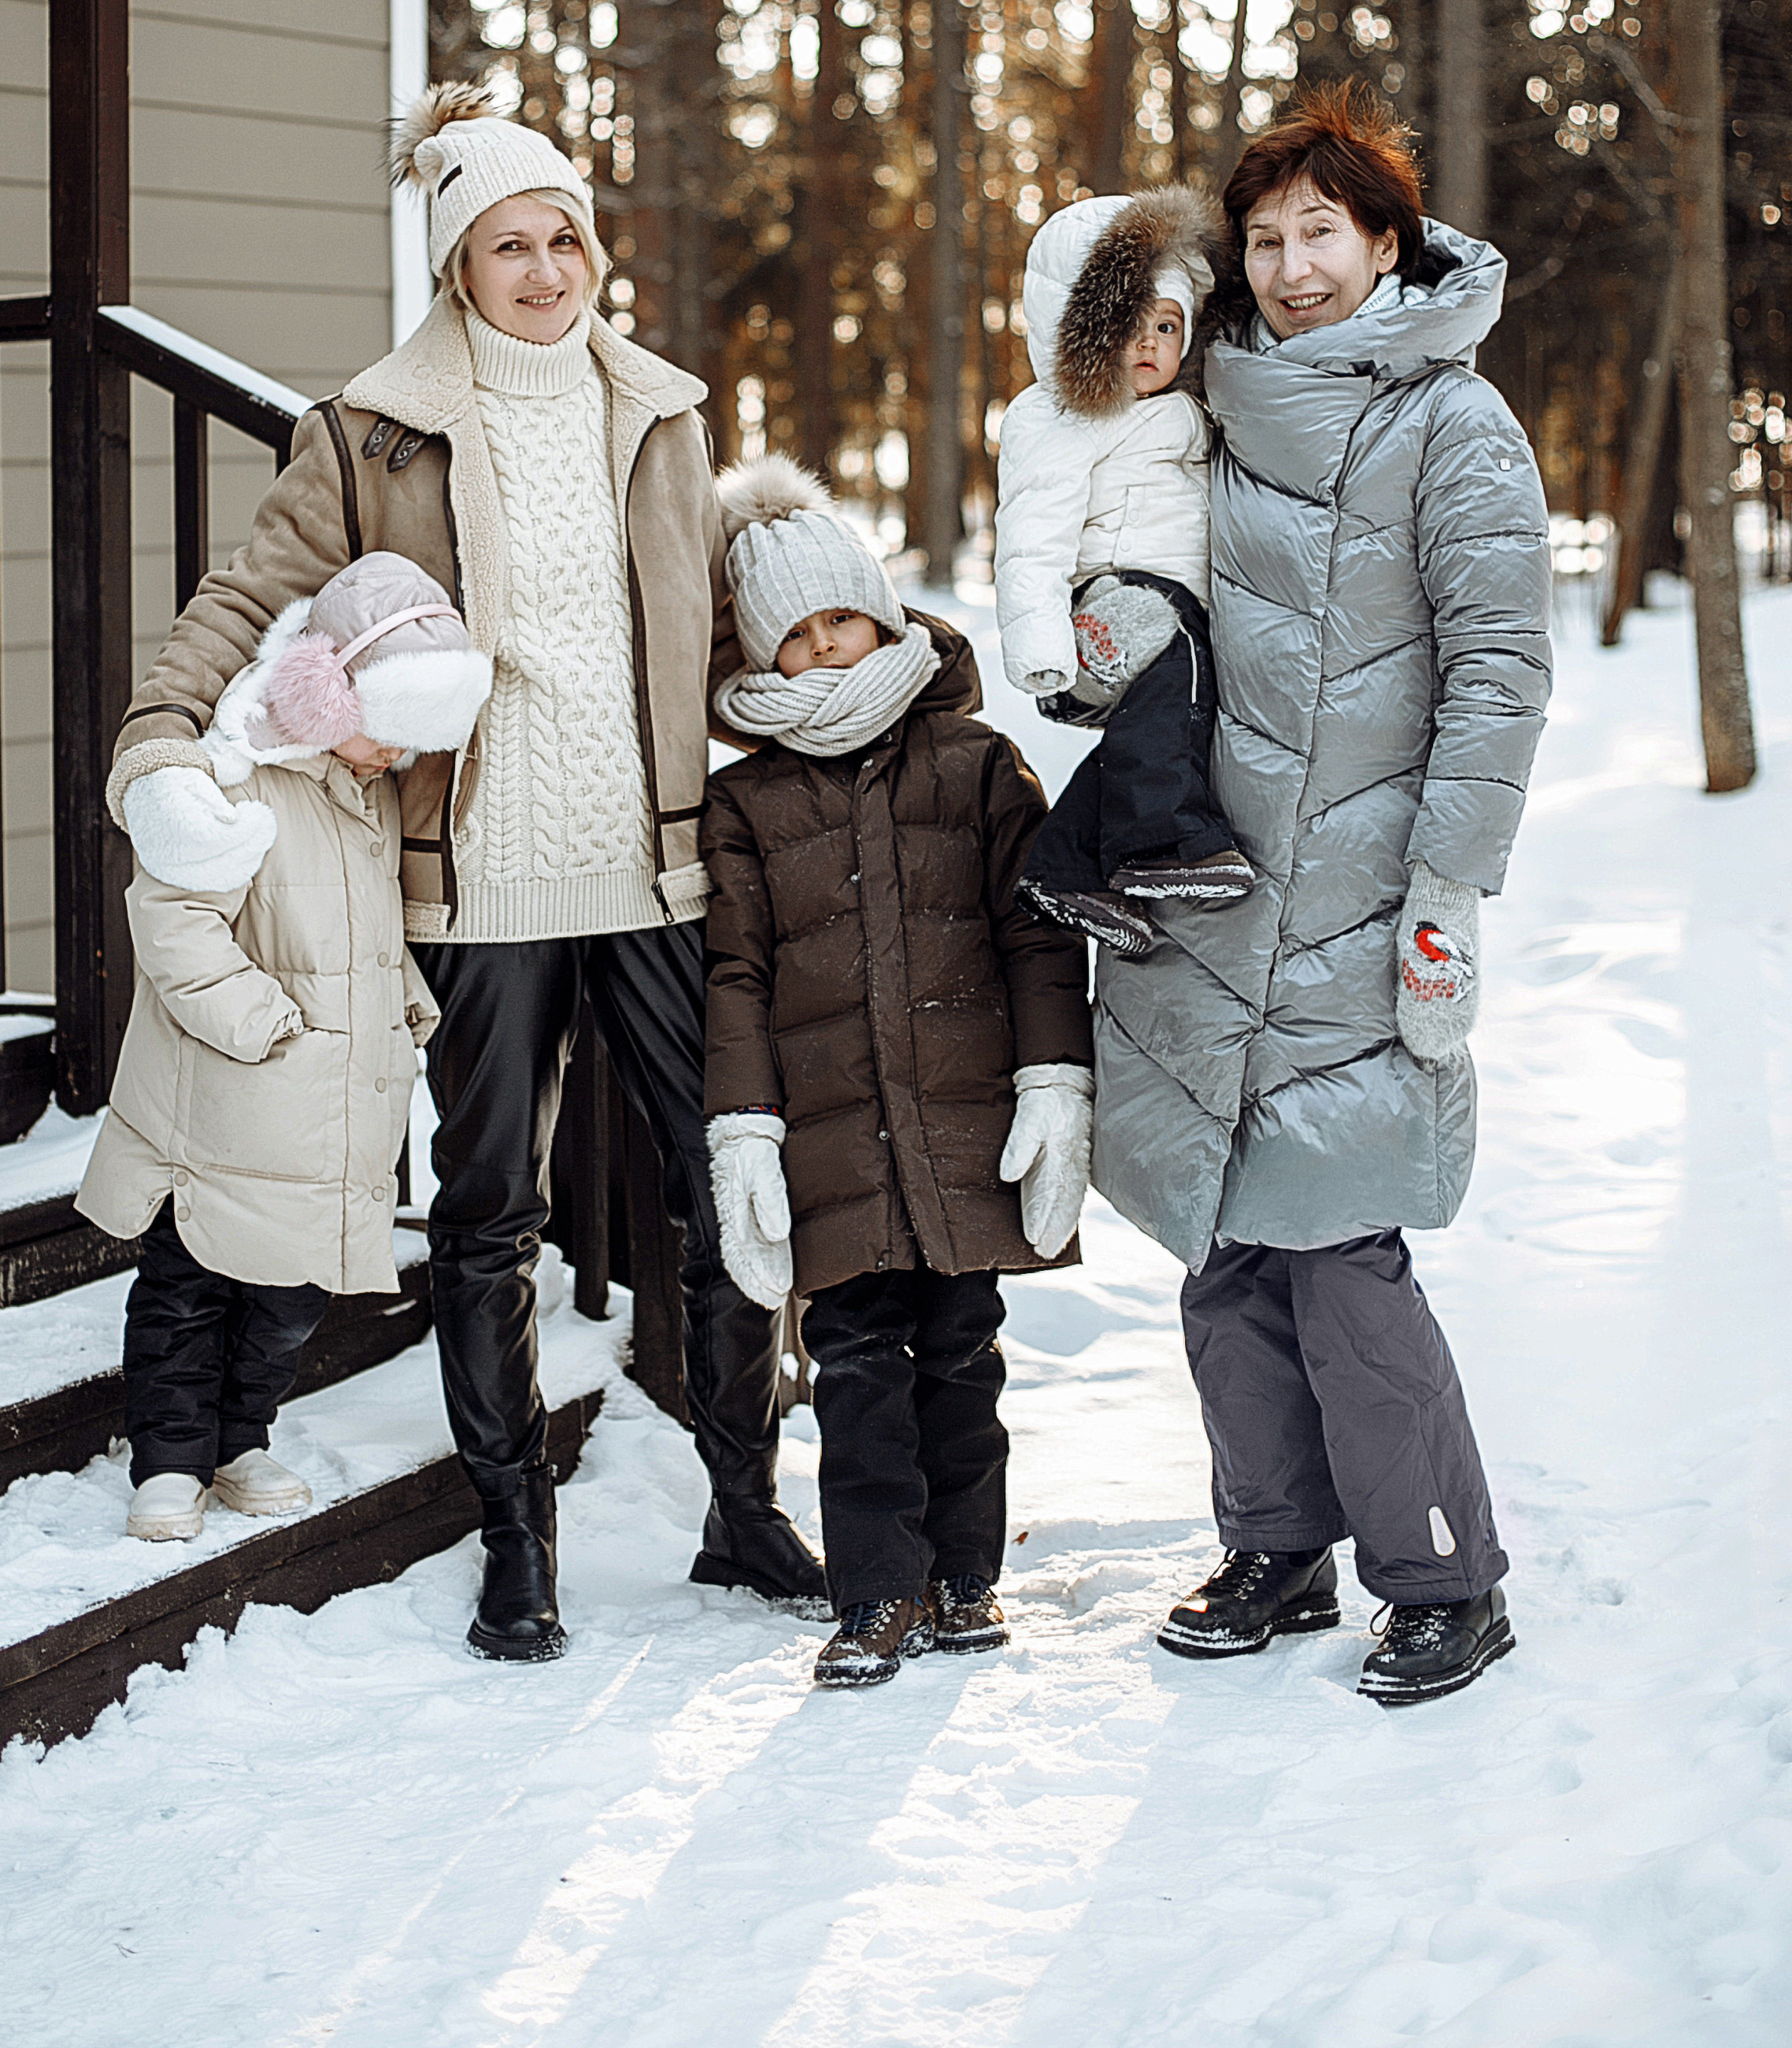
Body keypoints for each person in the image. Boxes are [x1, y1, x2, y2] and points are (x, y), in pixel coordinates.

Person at [107, 87, 824, 1660]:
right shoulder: (367, 432)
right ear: (456, 264)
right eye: (512, 242)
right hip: (481, 886)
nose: (549, 267)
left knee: (724, 1199)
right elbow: (249, 596)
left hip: (658, 877)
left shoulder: (659, 411)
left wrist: (871, 668)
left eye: (567, 236)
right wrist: (163, 731)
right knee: (489, 1215)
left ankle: (744, 1504)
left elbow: (716, 610)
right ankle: (516, 1538)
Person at [1091, 85, 1553, 1705]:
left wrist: (1439, 886)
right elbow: (1135, 583)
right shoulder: (1194, 411)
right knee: (1221, 1247)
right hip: (1203, 886)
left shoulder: (1449, 423)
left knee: (1339, 1249)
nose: (1290, 266)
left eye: (1321, 234)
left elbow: (1497, 674)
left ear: (1383, 243)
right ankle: (1273, 1544)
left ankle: (1439, 1574)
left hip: (1359, 900)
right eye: (1265, 237)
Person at [701, 457, 1095, 1690]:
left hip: (963, 1126)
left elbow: (1037, 936)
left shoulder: (977, 766)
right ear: (760, 663)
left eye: (841, 620)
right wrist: (747, 1131)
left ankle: (967, 1579)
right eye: (794, 639)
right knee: (857, 1369)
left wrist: (1053, 1085)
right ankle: (876, 1590)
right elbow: (737, 979)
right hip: (828, 1140)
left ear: (882, 613)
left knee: (966, 1356)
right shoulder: (743, 806)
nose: (824, 652)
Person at [78, 555, 485, 1542]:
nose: (396, 752)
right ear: (326, 689)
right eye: (386, 722)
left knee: (292, 1288)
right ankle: (170, 1458)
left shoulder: (369, 792)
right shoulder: (238, 775)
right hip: (230, 1088)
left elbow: (365, 925)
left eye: (414, 736)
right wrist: (257, 1020)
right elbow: (174, 916)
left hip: (323, 1101)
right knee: (191, 1280)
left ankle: (239, 1436)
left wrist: (406, 999)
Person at [994, 186, 1253, 950]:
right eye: (1128, 323)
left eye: (1167, 325)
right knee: (1177, 675)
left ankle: (1066, 867)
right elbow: (1031, 532)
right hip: (1112, 598)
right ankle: (1163, 844)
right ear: (1085, 330)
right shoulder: (1057, 418)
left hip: (1174, 596)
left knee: (1171, 714)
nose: (1149, 342)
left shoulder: (1185, 406)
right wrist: (1038, 643)